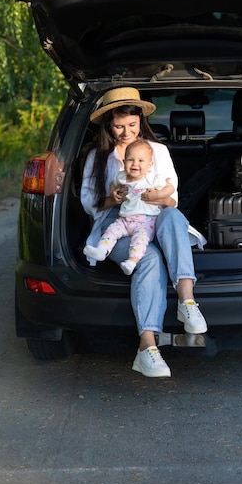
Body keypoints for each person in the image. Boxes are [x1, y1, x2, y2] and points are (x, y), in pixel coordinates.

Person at [80, 87, 207, 379]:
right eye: (119, 126)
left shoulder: (157, 151)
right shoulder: (99, 157)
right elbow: (89, 203)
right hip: (118, 222)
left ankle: (187, 302)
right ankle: (147, 348)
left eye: (132, 125)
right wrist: (112, 198)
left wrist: (157, 197)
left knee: (174, 215)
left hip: (156, 215)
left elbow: (172, 197)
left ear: (141, 121)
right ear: (108, 125)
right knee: (148, 258)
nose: (126, 132)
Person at [83, 139, 174, 275]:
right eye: (130, 160)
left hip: (145, 221)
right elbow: (113, 183)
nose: (135, 164)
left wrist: (159, 194)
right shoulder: (121, 176)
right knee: (111, 232)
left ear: (150, 165)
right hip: (125, 219)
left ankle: (131, 262)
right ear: (124, 162)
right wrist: (114, 193)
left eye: (140, 161)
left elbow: (170, 187)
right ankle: (101, 251)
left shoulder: (152, 178)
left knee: (140, 241)